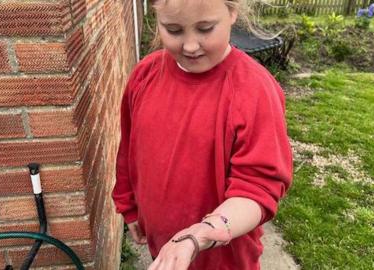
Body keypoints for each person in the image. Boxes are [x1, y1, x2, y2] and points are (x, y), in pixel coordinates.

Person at [112, 0, 293, 269]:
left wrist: (202, 233)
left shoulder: (255, 91)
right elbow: (130, 148)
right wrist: (129, 207)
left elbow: (259, 188)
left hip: (223, 259)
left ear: (232, 12)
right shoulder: (144, 75)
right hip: (166, 251)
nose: (190, 46)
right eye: (173, 30)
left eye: (205, 28)